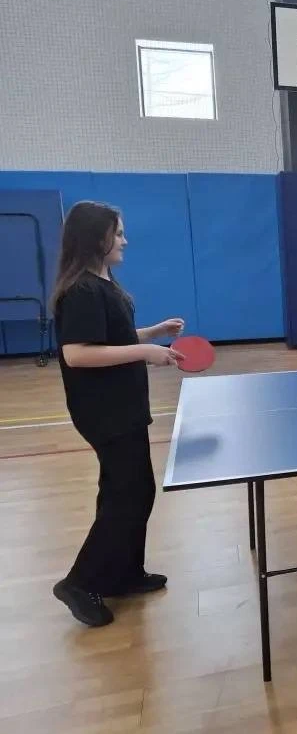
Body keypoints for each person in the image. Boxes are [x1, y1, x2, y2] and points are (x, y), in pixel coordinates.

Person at [49, 200, 186, 627]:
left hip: (124, 405)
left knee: (131, 491)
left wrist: (153, 333)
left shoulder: (103, 283)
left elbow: (112, 338)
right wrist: (146, 352)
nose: (125, 240)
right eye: (119, 233)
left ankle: (124, 573)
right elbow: (77, 354)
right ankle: (79, 583)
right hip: (104, 410)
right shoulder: (82, 290)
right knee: (128, 495)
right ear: (97, 238)